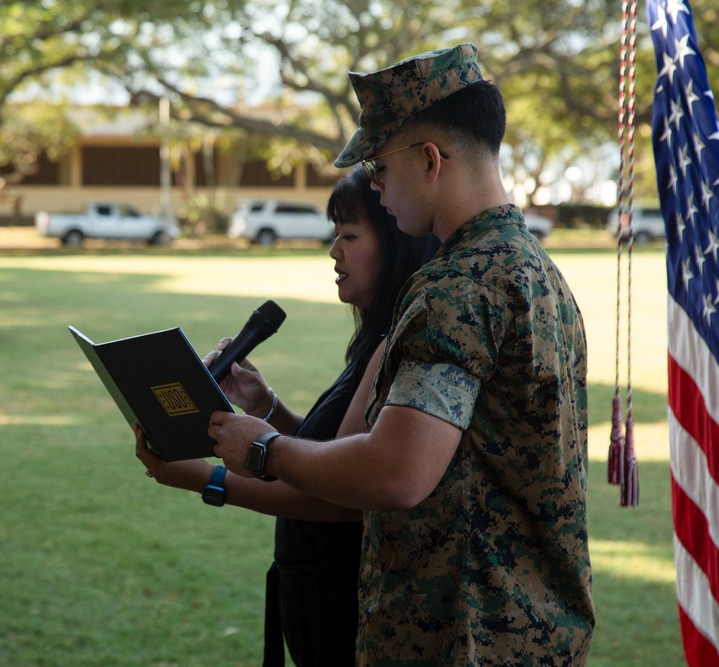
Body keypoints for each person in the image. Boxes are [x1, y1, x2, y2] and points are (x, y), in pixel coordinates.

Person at [207, 43, 595, 665]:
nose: (377, 187)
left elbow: (396, 472)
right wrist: (275, 416)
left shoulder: (458, 284)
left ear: (430, 159)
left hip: (457, 637)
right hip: (531, 633)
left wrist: (262, 448)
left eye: (380, 169)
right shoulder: (535, 270)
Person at [136, 167, 439, 666]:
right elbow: (333, 452)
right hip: (316, 603)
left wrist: (210, 479)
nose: (334, 251)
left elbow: (346, 496)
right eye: (333, 235)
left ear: (394, 242)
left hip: (349, 610)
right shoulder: (373, 341)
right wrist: (265, 406)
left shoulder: (398, 342)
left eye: (349, 235)